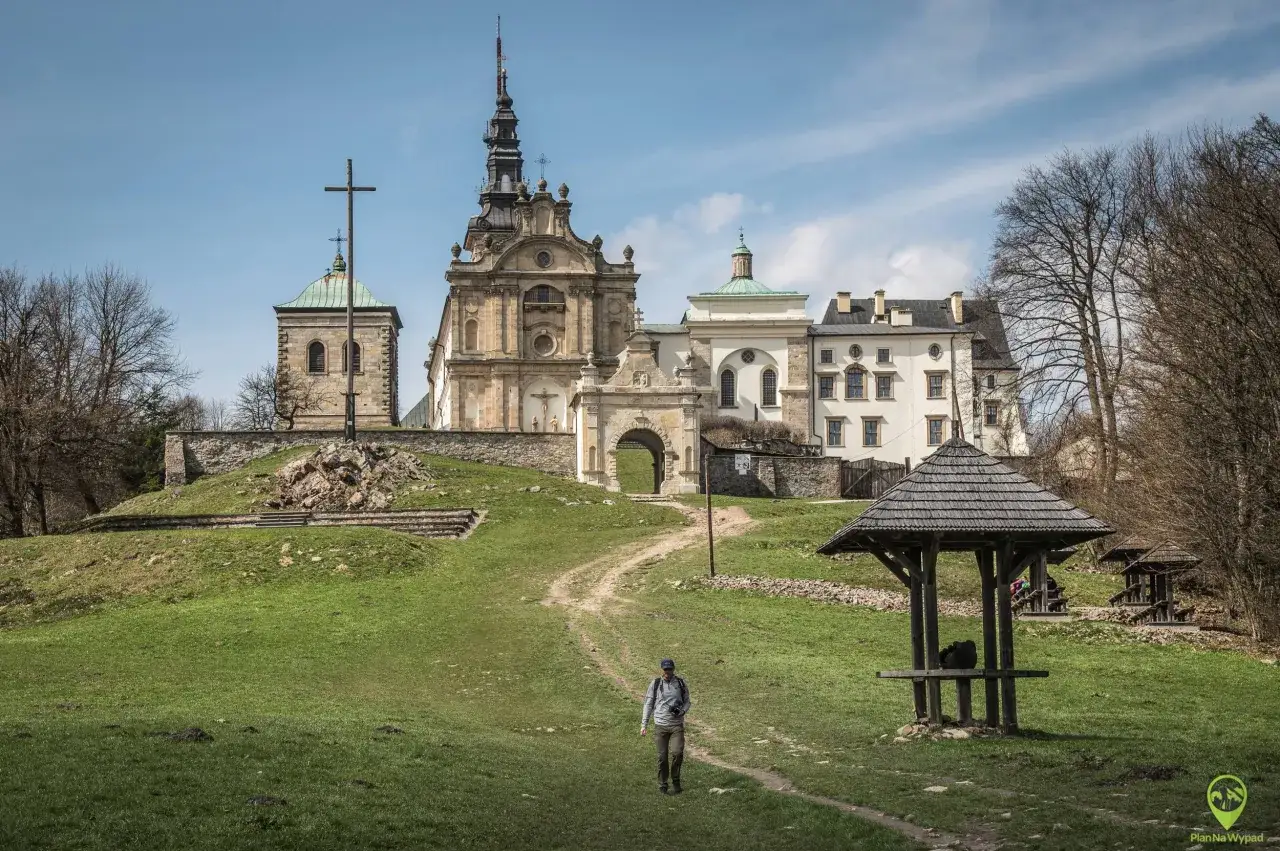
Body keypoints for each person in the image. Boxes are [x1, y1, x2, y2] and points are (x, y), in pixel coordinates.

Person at [640, 658, 691, 794]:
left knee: (677, 753)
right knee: (662, 757)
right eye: (665, 669)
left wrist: (683, 711)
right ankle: (663, 784)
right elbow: (648, 704)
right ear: (661, 670)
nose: (667, 672)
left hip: (676, 725)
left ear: (673, 669)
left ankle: (676, 780)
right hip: (660, 725)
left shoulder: (680, 683)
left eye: (669, 669)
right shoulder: (655, 684)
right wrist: (643, 724)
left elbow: (687, 701)